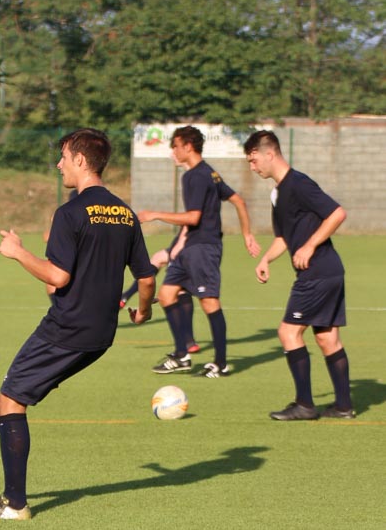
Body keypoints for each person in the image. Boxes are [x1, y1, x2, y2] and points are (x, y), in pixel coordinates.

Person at [0, 128, 156, 519]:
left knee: (12, 398)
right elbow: (147, 277)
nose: (59, 165)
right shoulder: (126, 213)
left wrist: (18, 252)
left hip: (66, 328)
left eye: (64, 157)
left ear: (81, 160)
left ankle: (15, 503)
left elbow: (57, 277)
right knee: (15, 395)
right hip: (101, 334)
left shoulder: (70, 213)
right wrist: (144, 311)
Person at [244, 129, 353, 420]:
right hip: (327, 271)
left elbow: (337, 213)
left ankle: (304, 405)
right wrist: (266, 258)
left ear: (270, 154)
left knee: (288, 332)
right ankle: (343, 406)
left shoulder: (299, 184)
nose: (252, 167)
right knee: (327, 338)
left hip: (317, 272)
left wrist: (310, 245)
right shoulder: (277, 193)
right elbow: (283, 237)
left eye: (254, 160)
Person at [138, 125, 260, 377]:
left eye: (175, 146)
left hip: (203, 247)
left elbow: (193, 217)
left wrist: (155, 214)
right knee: (167, 294)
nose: (173, 151)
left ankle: (221, 363)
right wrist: (247, 233)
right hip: (190, 248)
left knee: (209, 302)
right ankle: (181, 355)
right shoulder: (210, 173)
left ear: (188, 146)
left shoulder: (195, 176)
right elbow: (238, 200)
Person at [119, 229, 200, 353]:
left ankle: (187, 347)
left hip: (194, 244)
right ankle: (189, 342)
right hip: (191, 241)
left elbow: (192, 220)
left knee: (179, 289)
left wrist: (155, 217)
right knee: (160, 260)